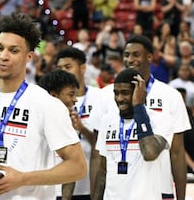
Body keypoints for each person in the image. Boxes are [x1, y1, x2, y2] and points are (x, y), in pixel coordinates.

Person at [0, 12, 87, 200]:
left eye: (13, 50)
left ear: (29, 56)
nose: (3, 56)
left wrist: (23, 179)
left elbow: (78, 167)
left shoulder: (46, 104)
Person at [89, 35, 191, 200]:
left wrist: (181, 197)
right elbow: (99, 158)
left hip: (158, 187)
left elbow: (177, 153)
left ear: (149, 57)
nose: (130, 59)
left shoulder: (170, 96)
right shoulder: (105, 96)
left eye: (136, 54)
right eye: (127, 54)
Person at [93, 68, 173, 200]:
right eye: (116, 93)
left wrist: (139, 107)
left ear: (140, 92)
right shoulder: (107, 120)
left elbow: (150, 153)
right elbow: (103, 170)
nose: (119, 99)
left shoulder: (161, 120)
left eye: (125, 93)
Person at [55, 47, 102, 199]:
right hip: (57, 185)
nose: (63, 72)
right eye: (60, 68)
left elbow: (101, 144)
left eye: (68, 67)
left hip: (88, 184)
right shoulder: (51, 100)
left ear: (83, 68)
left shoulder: (99, 97)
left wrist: (81, 128)